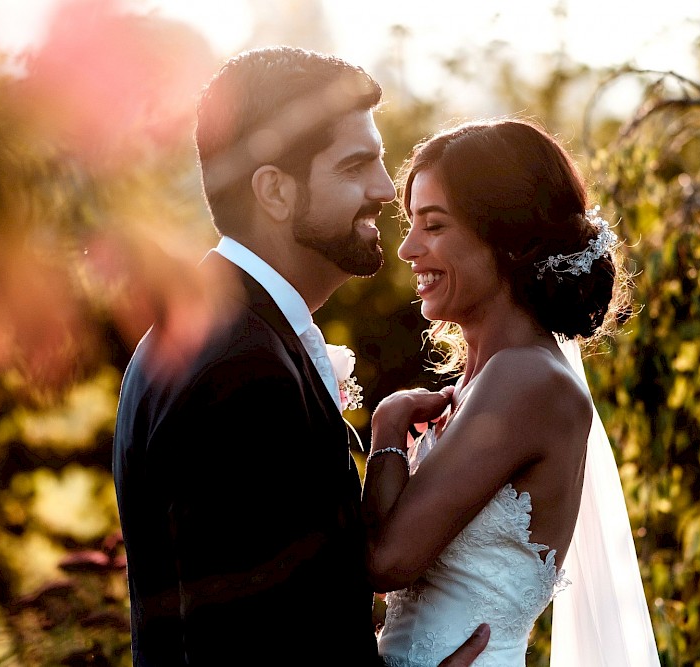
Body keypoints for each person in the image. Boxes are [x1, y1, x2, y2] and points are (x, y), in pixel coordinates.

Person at [112, 46, 489, 666]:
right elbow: (247, 647)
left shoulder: (221, 335)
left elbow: (284, 609)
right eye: (356, 166)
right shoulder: (239, 368)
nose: (383, 189)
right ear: (275, 192)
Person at [361, 118, 660, 666]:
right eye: (411, 224)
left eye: (433, 225)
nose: (407, 248)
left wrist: (385, 428)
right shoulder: (482, 383)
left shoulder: (527, 380)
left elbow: (386, 562)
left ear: (505, 239)